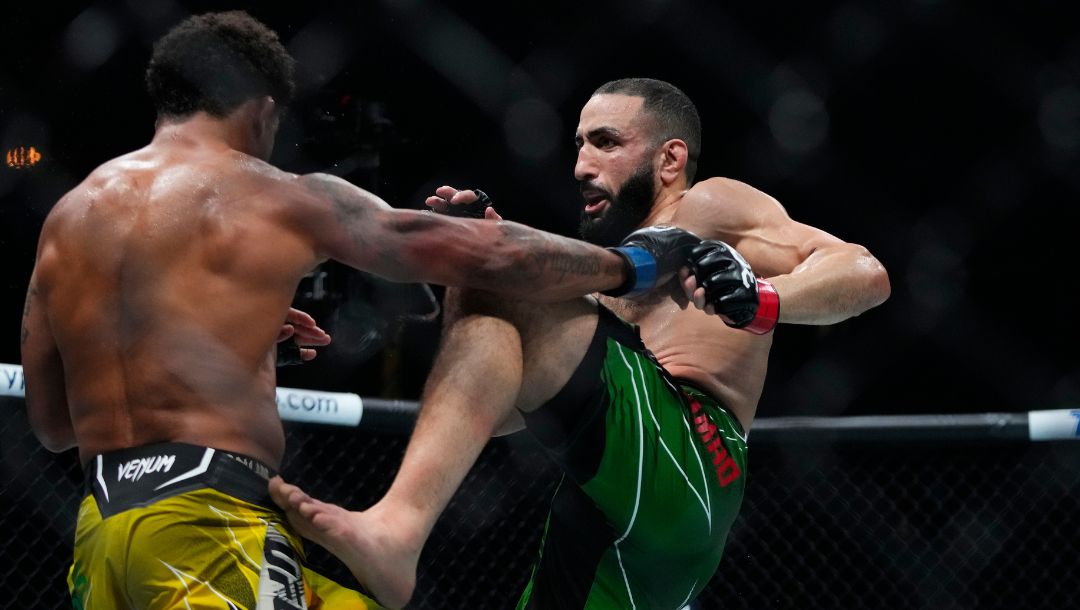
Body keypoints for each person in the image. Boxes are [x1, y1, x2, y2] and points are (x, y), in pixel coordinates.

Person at [20, 12, 699, 608]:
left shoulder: (67, 217)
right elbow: (476, 256)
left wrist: (220, 343)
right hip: (209, 525)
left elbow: (53, 424)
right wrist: (633, 263)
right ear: (260, 107)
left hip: (100, 534)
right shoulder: (270, 193)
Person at [270, 77, 891, 609]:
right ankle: (400, 530)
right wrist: (479, 270)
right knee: (488, 290)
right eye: (578, 145)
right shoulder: (604, 290)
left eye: (606, 143)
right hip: (611, 502)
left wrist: (764, 299)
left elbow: (866, 273)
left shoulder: (706, 207)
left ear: (670, 159)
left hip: (696, 461)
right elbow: (501, 421)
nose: (580, 166)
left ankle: (398, 529)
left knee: (497, 269)